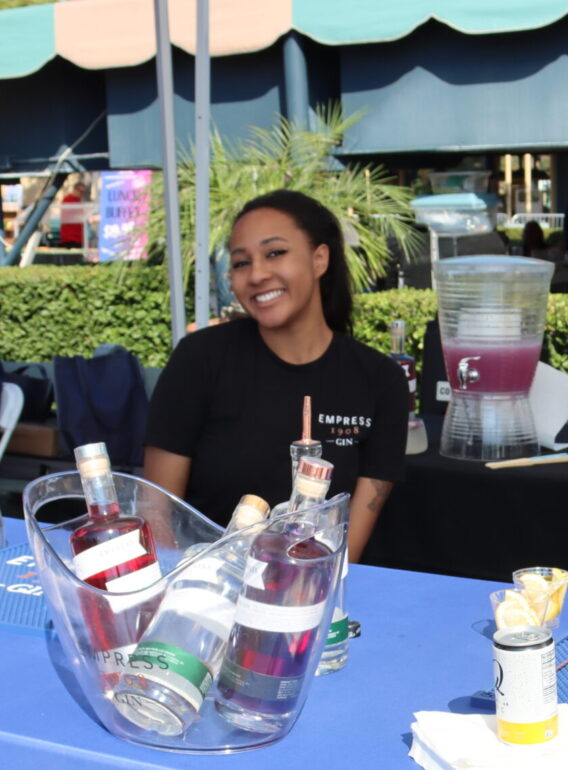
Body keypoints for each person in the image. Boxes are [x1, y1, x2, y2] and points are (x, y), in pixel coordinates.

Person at [144, 190, 409, 563]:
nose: (256, 274)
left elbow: (346, 555)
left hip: (314, 597)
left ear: (320, 259)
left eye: (274, 253)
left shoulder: (381, 380)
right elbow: (158, 515)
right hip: (202, 591)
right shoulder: (199, 359)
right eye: (240, 263)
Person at [59, 180, 88, 248]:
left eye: (83, 192)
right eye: (80, 191)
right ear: (75, 189)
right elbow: (69, 215)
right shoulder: (68, 200)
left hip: (78, 237)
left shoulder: (79, 201)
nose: (81, 194)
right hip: (69, 237)